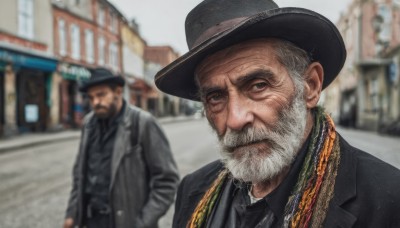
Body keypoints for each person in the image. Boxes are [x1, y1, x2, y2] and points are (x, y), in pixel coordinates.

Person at [154, 0, 400, 227]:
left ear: (310, 86)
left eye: (258, 85)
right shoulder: (194, 189)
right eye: (216, 97)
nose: (235, 119)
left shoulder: (388, 200)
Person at [63, 68, 179, 228]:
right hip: (91, 221)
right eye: (91, 97)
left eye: (101, 95)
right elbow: (79, 174)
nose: (95, 102)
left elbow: (167, 181)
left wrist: (142, 223)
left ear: (118, 91)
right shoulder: (88, 124)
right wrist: (72, 213)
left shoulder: (143, 123)